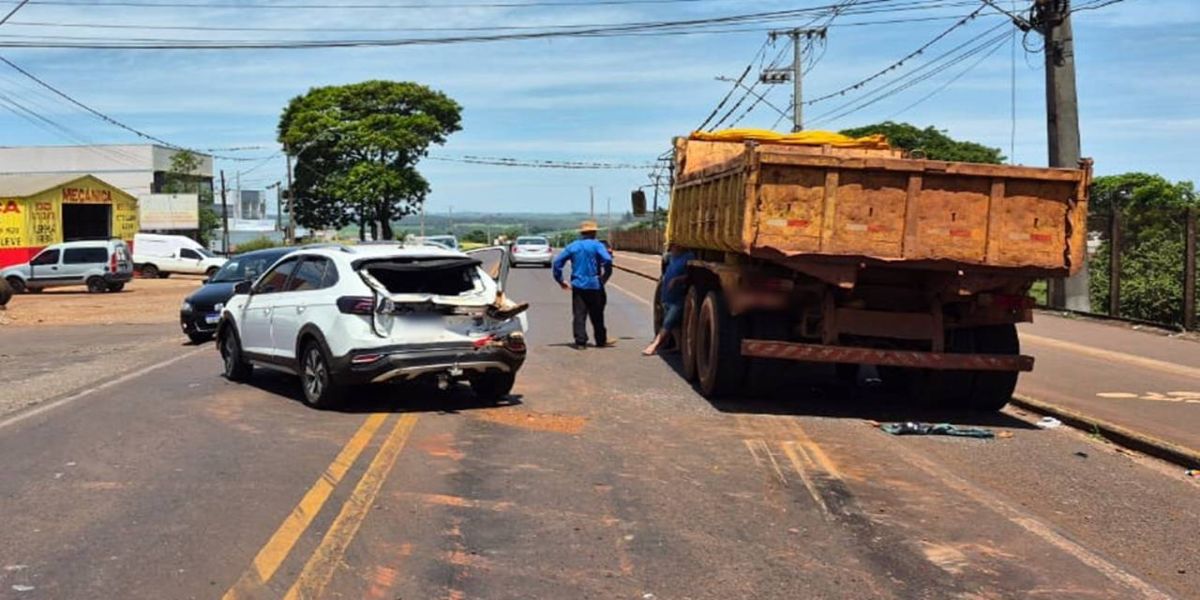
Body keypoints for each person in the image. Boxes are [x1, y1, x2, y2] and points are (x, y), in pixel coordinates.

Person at [552, 221, 614, 349]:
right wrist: (605, 276)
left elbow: (557, 262)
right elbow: (607, 259)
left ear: (582, 233)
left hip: (578, 284)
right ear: (594, 233)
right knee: (597, 314)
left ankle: (580, 341)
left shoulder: (573, 246)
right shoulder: (597, 246)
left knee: (579, 314)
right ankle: (600, 340)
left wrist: (560, 280)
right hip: (594, 284)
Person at [643, 243, 694, 356]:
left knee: (668, 323)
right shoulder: (671, 257)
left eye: (673, 246)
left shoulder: (688, 257)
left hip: (677, 297)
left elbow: (692, 276)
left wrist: (677, 280)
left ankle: (654, 345)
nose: (671, 248)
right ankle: (678, 346)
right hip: (667, 296)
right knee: (673, 325)